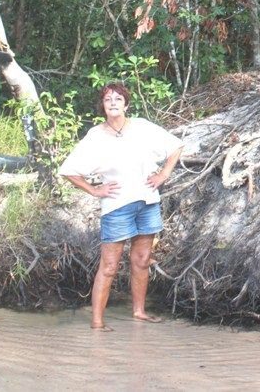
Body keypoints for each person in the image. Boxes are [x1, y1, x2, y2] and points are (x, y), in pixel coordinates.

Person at [58, 82, 183, 331]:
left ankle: (139, 312)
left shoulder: (143, 128)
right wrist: (94, 190)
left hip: (147, 201)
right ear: (103, 106)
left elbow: (176, 146)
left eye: (118, 99)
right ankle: (97, 322)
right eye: (108, 99)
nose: (113, 102)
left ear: (126, 104)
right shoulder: (96, 135)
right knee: (110, 265)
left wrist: (163, 175)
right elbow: (68, 170)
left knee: (142, 259)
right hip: (116, 205)